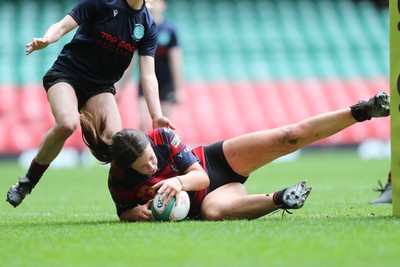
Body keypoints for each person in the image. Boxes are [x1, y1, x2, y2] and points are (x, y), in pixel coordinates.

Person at [80, 92, 390, 222]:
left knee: (287, 136)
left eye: (151, 158)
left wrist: (176, 181)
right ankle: (283, 198)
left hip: (214, 163)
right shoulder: (118, 179)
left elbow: (200, 176)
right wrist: (137, 215)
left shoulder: (160, 137)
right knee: (215, 214)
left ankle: (362, 110)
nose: (151, 165)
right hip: (206, 202)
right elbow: (125, 212)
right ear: (126, 167)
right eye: (144, 166)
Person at [6, 0, 174, 208]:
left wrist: (156, 115)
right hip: (67, 75)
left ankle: (130, 203)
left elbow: (148, 75)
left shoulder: (147, 25)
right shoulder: (101, 3)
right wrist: (47, 39)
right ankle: (27, 182)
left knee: (118, 143)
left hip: (100, 87)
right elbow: (62, 25)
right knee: (67, 124)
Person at [120, 0, 183, 132]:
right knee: (143, 121)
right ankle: (145, 152)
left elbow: (176, 62)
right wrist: (121, 87)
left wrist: (178, 89)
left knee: (166, 127)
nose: (154, 5)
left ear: (164, 5)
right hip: (146, 81)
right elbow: (131, 60)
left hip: (166, 82)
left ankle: (169, 152)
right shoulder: (140, 28)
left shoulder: (169, 30)